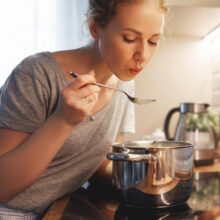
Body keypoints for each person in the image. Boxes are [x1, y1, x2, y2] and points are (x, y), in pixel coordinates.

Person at [0, 0, 166, 218]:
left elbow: (100, 163)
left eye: (153, 41)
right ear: (95, 28)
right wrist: (63, 121)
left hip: (56, 208)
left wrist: (141, 175)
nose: (143, 55)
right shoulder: (36, 75)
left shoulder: (125, 85)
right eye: (130, 39)